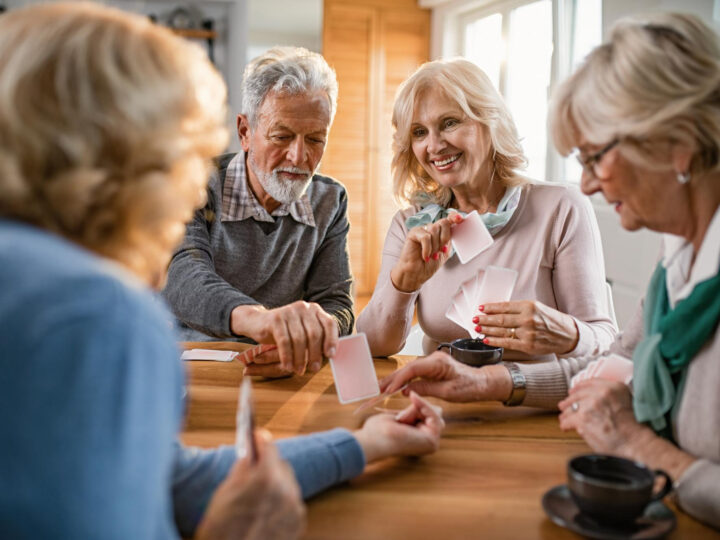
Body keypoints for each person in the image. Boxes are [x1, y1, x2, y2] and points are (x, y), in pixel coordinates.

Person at [0, 4, 444, 538]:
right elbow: (182, 273)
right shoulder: (100, 312)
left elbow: (166, 478)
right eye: (180, 155)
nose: (189, 184)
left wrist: (364, 443)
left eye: (316, 139)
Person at [380, 12, 720, 529]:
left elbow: (607, 360)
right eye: (420, 133)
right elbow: (616, 366)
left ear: (676, 143)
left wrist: (641, 444)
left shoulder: (559, 208)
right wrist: (489, 384)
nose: (585, 185)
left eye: (596, 156)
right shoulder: (676, 257)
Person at [356, 58, 617, 361]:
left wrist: (565, 331)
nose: (434, 145)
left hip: (533, 401)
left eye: (449, 123)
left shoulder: (560, 208)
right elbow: (371, 347)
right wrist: (403, 283)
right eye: (418, 132)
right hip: (439, 399)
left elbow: (604, 341)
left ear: (490, 121)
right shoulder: (411, 225)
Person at [163, 46, 353, 377]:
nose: (298, 156)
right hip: (189, 363)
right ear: (245, 132)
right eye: (282, 136)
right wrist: (261, 320)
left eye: (315, 139)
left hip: (278, 369)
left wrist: (308, 338)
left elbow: (337, 306)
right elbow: (183, 276)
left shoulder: (330, 200)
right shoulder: (196, 182)